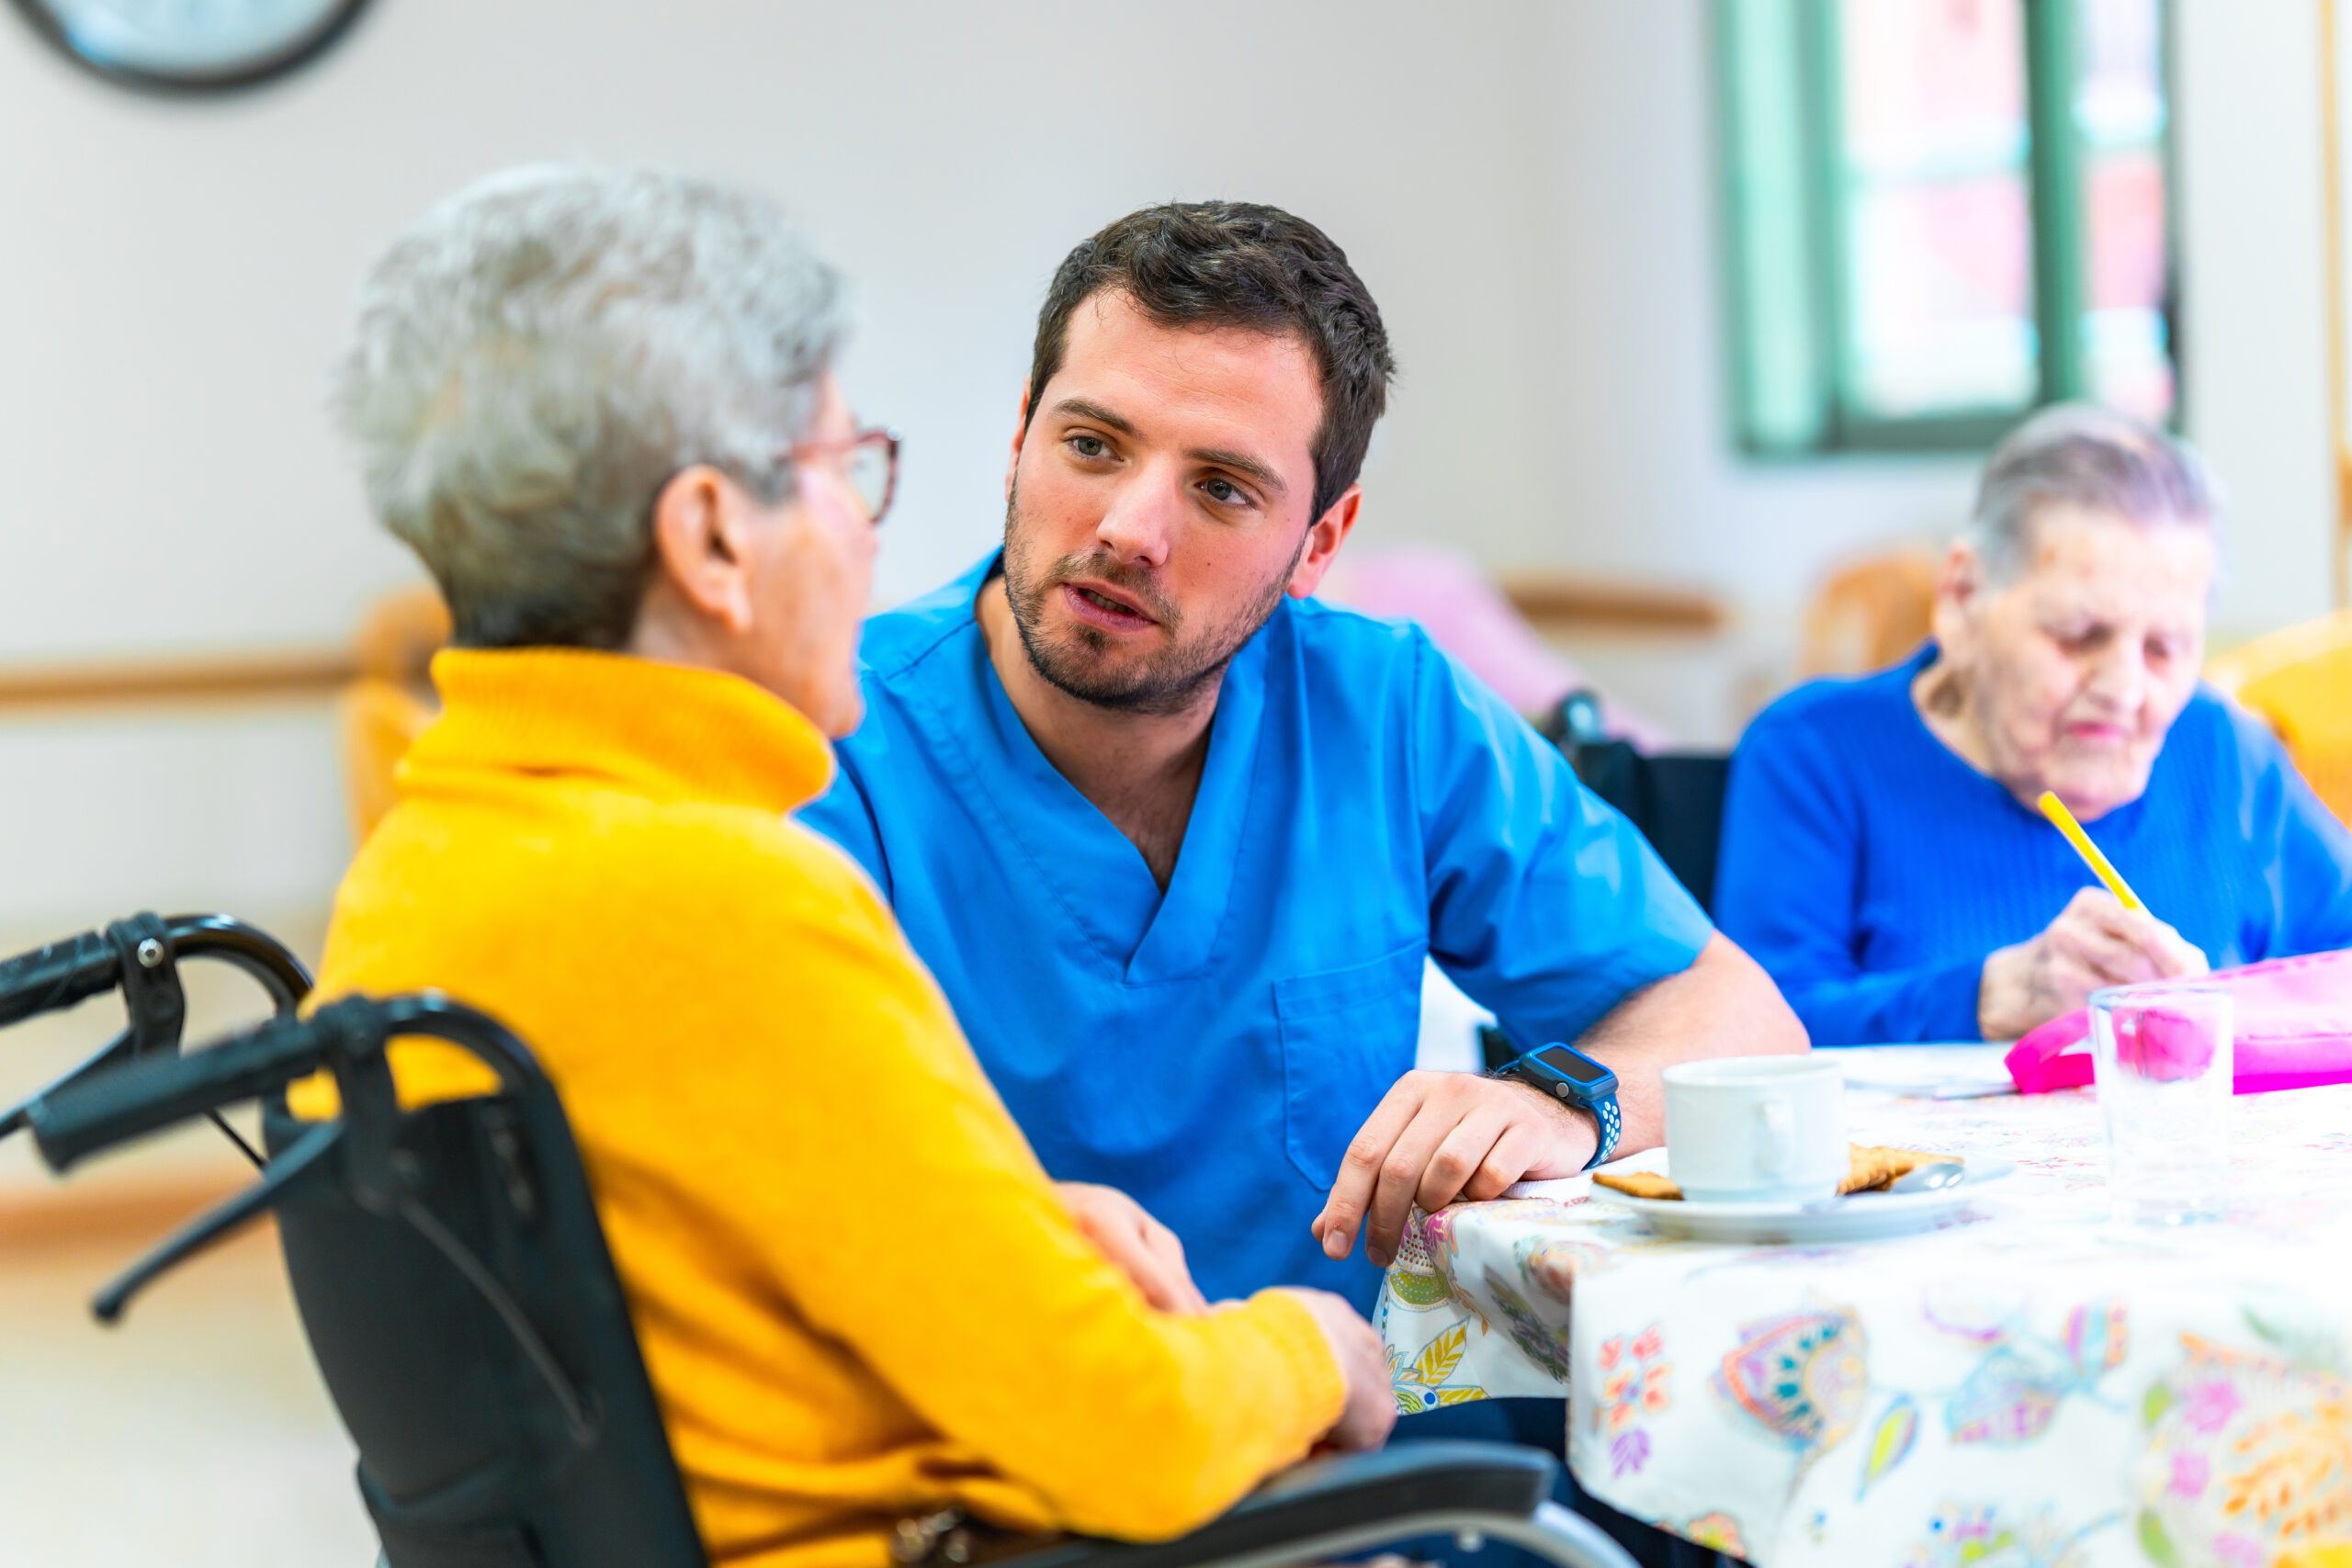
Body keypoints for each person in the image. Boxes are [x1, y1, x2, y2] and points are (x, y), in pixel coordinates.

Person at [303, 166, 1394, 1568]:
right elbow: (1133, 1436)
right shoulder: (732, 896)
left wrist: (998, 1219)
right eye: (843, 471)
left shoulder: (429, 856)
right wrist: (1314, 1340)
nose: (870, 533)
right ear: (710, 536)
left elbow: (680, 1272)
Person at [797, 200, 1805, 1306]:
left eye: (1221, 487)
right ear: (1019, 440)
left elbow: (1734, 1013)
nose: (1131, 529)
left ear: (1319, 543)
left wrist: (1561, 1101)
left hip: (1358, 1441)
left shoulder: (1386, 710)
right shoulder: (832, 734)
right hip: (1002, 1438)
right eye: (1090, 445)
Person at [1716, 404, 2352, 1046]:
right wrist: (1988, 997)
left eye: (2165, 647)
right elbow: (1753, 1033)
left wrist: (2225, 1012)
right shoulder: (1815, 753)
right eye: (2079, 636)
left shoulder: (2223, 748)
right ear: (1963, 597)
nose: (2125, 689)